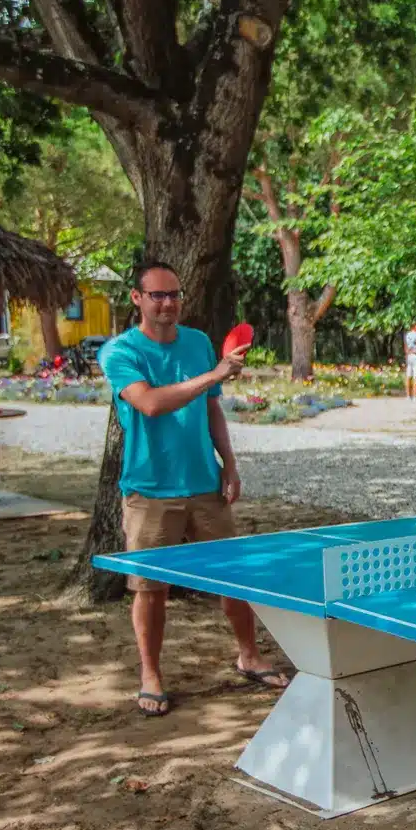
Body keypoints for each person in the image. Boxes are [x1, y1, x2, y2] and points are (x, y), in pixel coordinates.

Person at [99, 263, 288, 718]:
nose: (168, 303)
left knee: (234, 577)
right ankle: (151, 674)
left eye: (174, 294)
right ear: (137, 299)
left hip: (205, 483)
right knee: (150, 588)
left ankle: (249, 655)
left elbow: (211, 410)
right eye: (158, 295)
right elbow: (151, 403)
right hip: (149, 489)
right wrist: (216, 373)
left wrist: (229, 463)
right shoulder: (119, 352)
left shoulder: (198, 343)